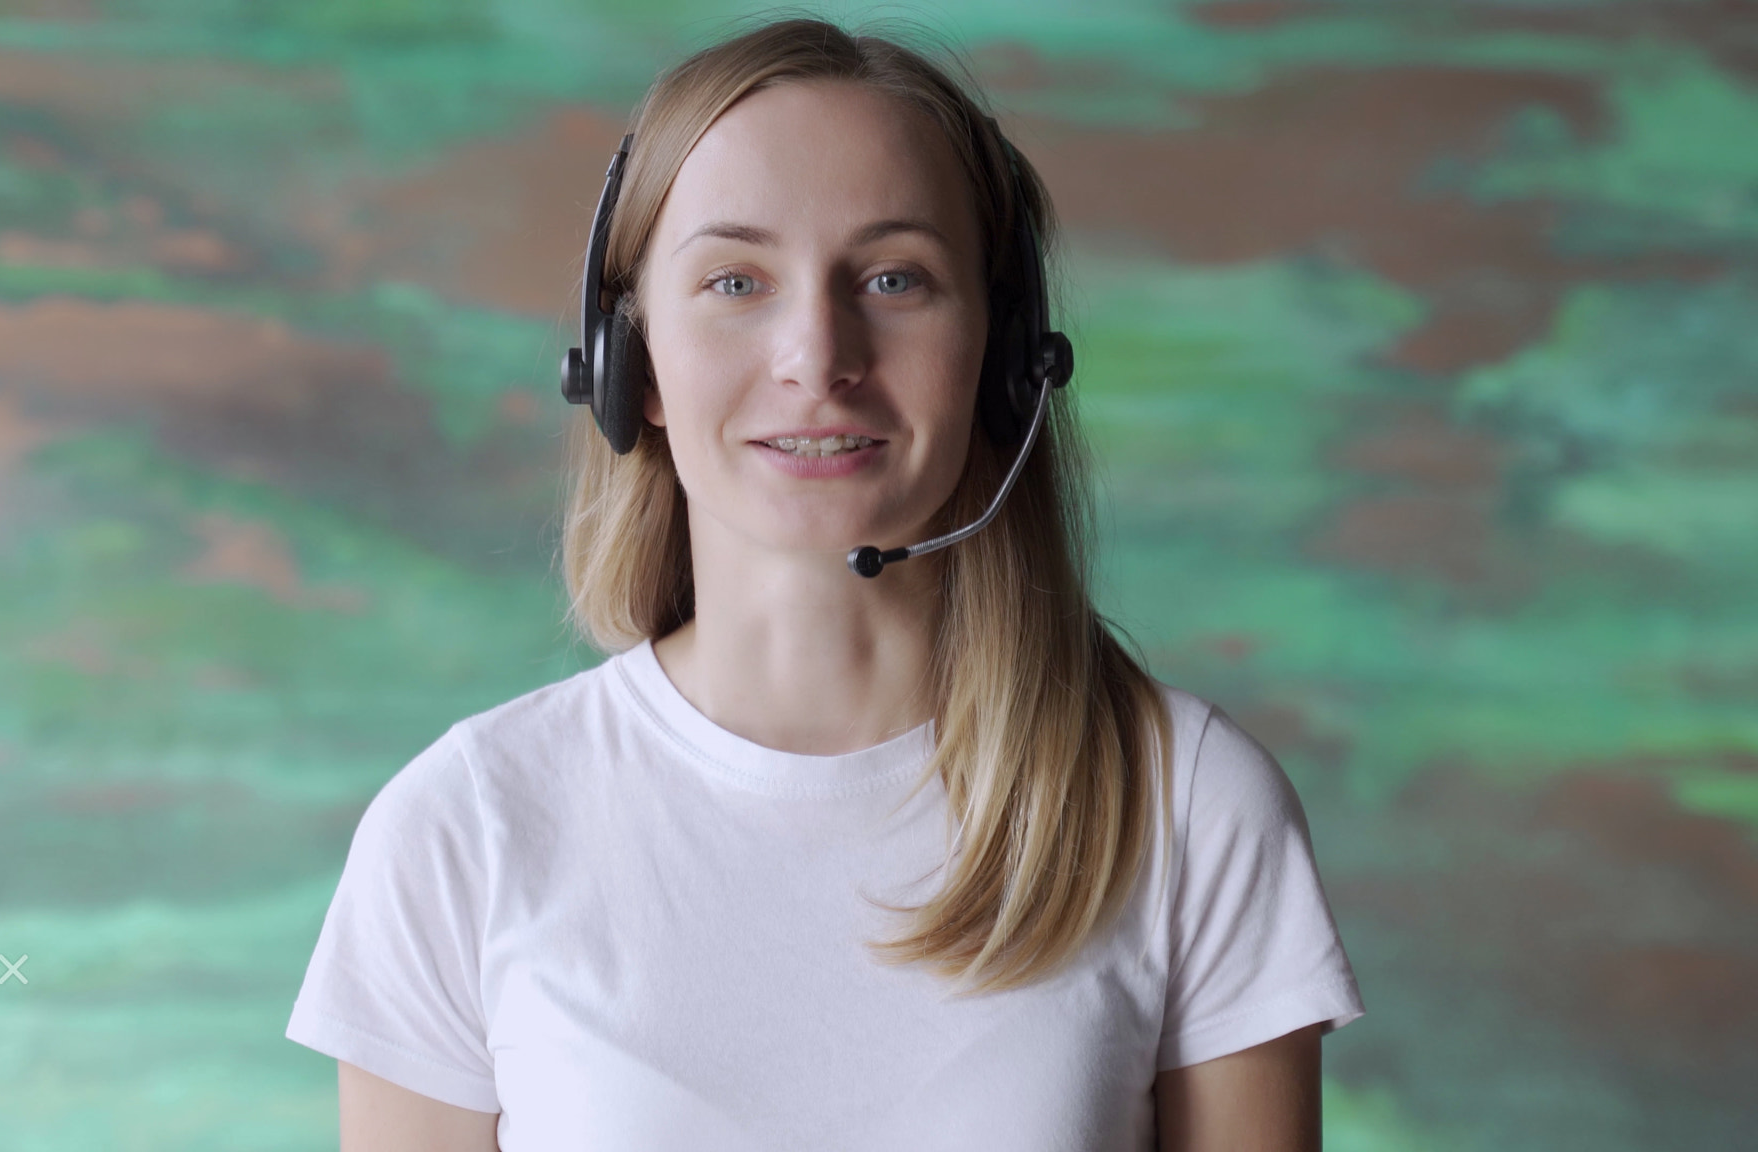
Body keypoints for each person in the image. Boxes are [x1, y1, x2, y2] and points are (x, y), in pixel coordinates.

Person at [285, 17, 1364, 1151]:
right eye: (735, 281)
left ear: (1007, 361)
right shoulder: (463, 829)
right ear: (626, 362)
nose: (817, 357)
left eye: (895, 278)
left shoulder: (1188, 805)